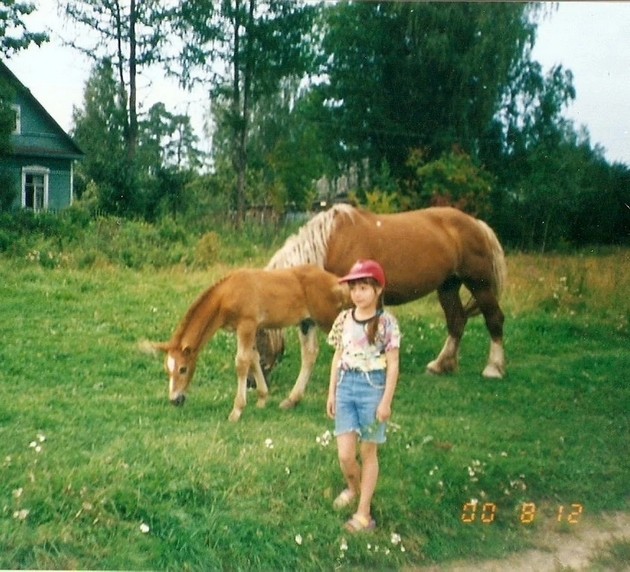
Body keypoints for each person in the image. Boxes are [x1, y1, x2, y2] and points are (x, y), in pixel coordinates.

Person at [326, 259, 401, 533]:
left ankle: (364, 512)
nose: (358, 294)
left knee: (368, 451)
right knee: (346, 455)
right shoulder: (344, 319)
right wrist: (332, 392)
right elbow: (337, 356)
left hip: (372, 389)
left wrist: (386, 402)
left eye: (364, 288)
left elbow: (393, 365)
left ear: (378, 290)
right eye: (354, 288)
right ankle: (353, 488)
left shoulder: (386, 323)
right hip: (346, 386)